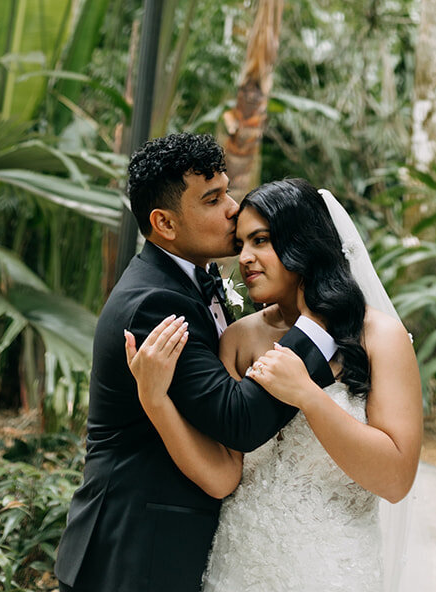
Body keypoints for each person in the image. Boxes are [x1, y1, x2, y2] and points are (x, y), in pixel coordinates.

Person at [55, 136, 340, 592]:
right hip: (135, 554)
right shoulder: (155, 303)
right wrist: (322, 322)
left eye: (228, 190)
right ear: (164, 222)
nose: (233, 208)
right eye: (212, 199)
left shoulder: (193, 279)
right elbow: (240, 420)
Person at [125, 178, 422, 592]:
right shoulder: (239, 339)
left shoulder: (379, 337)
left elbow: (395, 481)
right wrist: (155, 400)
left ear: (304, 243)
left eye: (261, 240)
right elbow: (224, 477)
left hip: (332, 569)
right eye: (242, 243)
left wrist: (308, 396)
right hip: (239, 566)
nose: (245, 257)